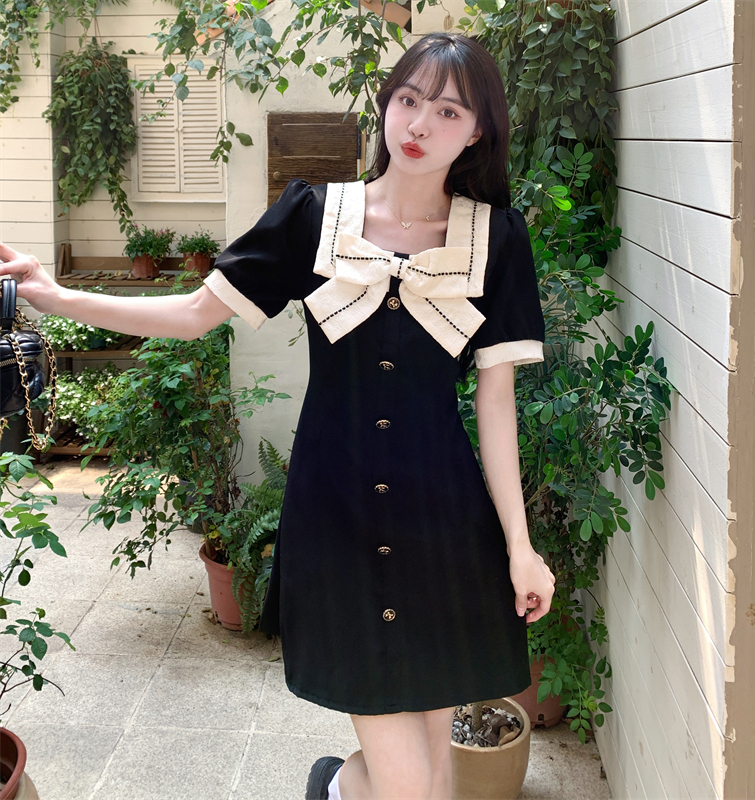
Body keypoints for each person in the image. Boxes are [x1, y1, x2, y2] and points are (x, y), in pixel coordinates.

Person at [0, 31, 556, 800]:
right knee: (411, 788)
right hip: (337, 519)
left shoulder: (495, 240)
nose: (420, 123)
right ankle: (341, 789)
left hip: (444, 524)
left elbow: (496, 404)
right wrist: (57, 297)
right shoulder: (314, 217)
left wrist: (520, 547)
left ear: (478, 132)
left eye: (448, 111)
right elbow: (193, 314)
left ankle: (335, 788)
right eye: (408, 99)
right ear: (386, 105)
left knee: (434, 777)